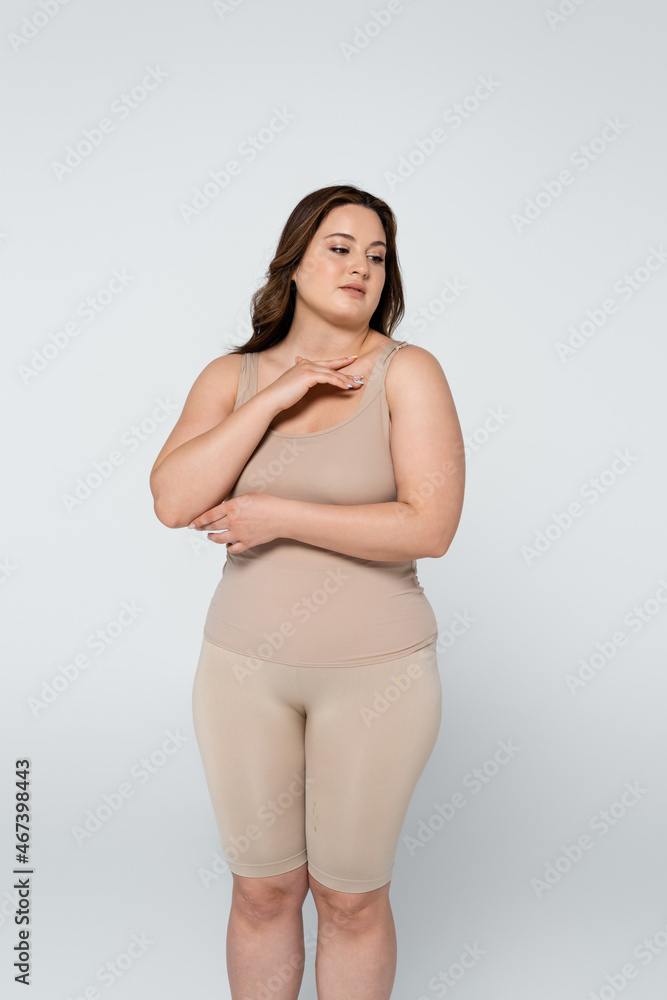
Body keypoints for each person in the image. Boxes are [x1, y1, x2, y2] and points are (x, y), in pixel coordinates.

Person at [149, 184, 465, 1000]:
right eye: (340, 247)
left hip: (378, 675)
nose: (361, 267)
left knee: (349, 900)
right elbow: (173, 500)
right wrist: (279, 394)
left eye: (377, 255)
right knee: (262, 891)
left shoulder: (406, 372)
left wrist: (277, 515)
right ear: (293, 263)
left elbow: (429, 525)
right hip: (242, 674)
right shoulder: (231, 377)